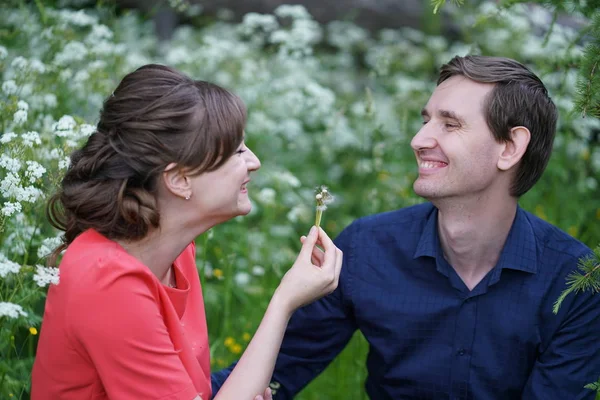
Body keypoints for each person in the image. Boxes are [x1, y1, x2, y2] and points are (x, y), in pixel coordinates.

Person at [212, 55, 600, 399]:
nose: (418, 140)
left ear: (510, 147)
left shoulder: (576, 281)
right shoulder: (367, 248)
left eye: (450, 125)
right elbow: (275, 376)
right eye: (426, 120)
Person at [31, 64, 343, 400]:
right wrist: (284, 300)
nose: (254, 162)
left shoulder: (177, 253)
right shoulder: (107, 280)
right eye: (237, 151)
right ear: (179, 180)